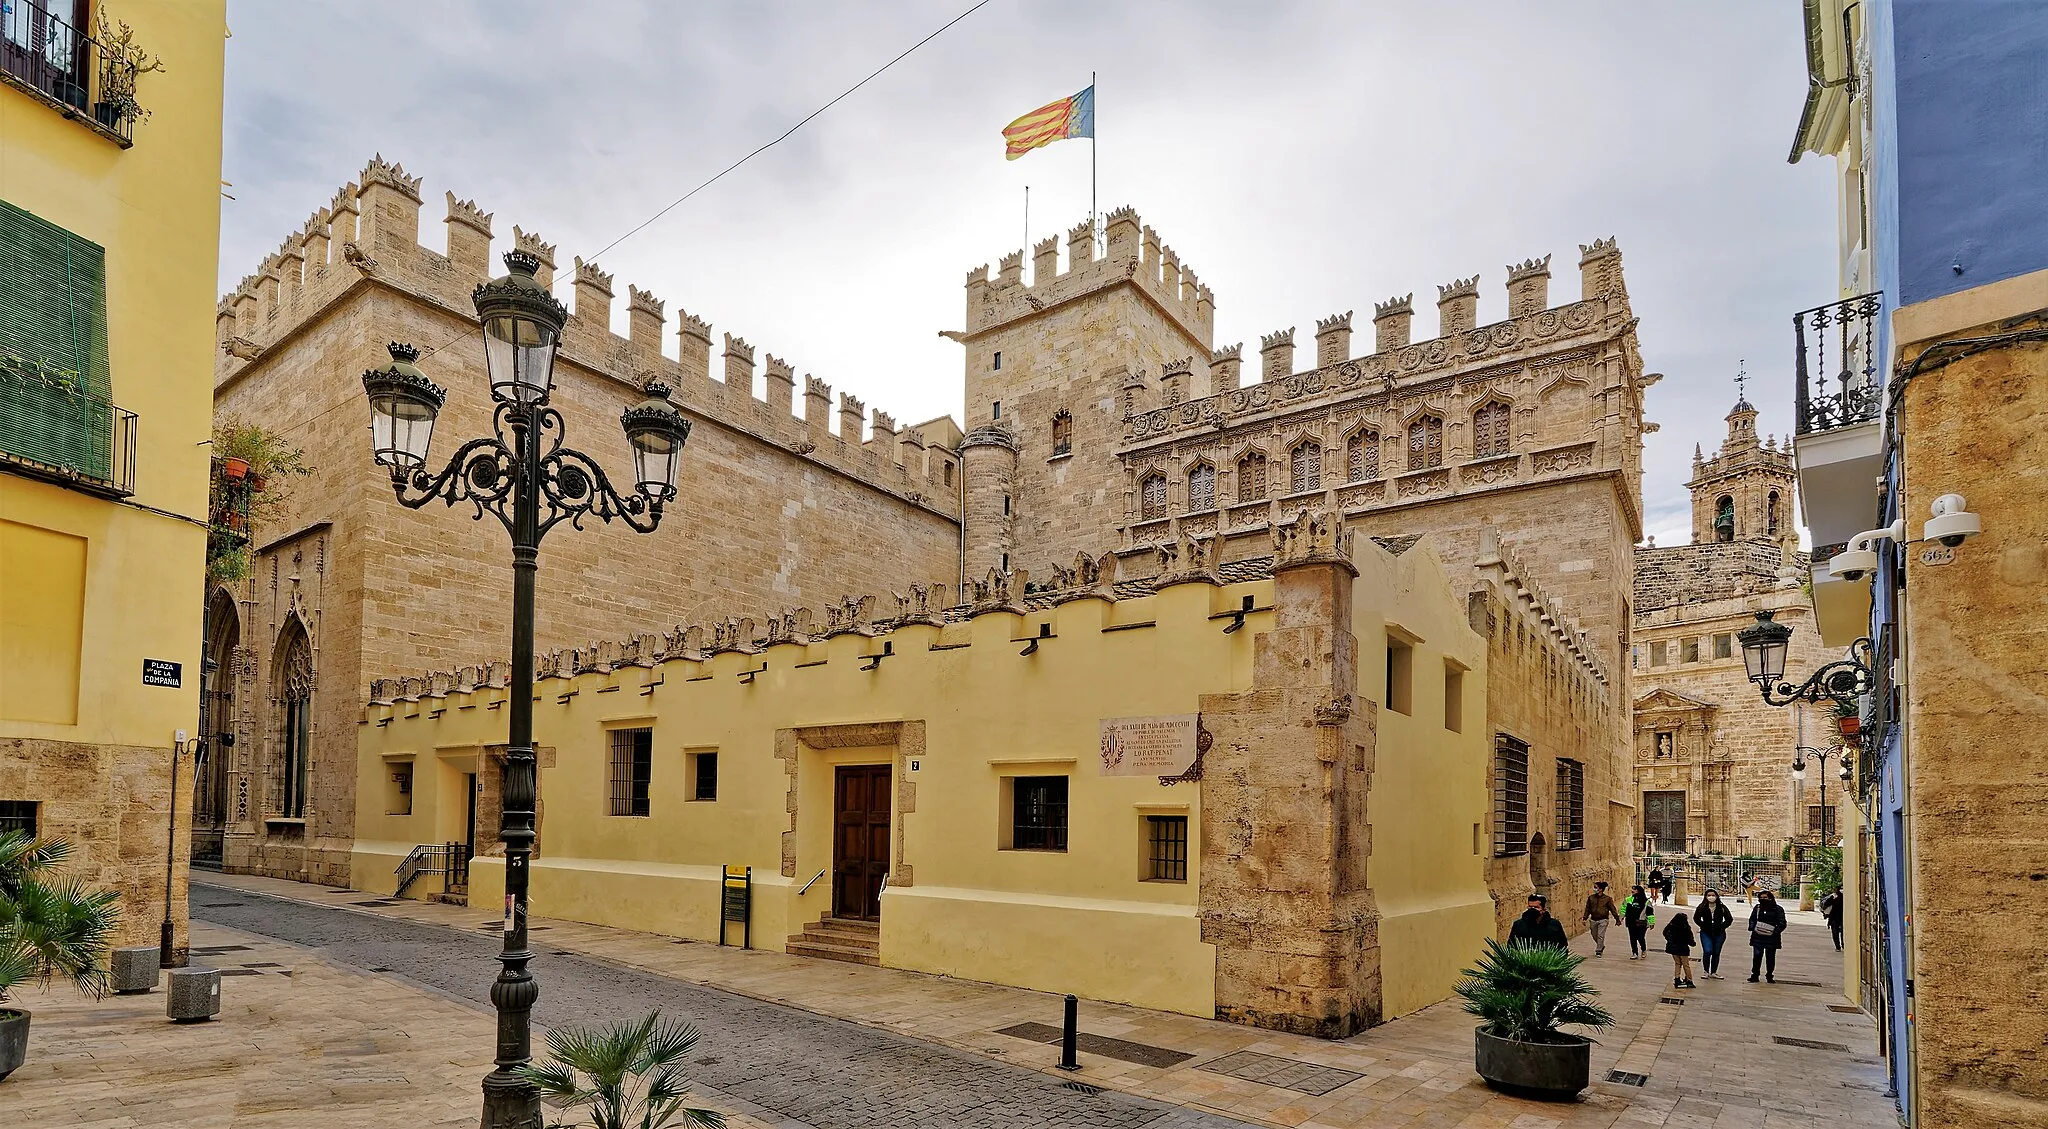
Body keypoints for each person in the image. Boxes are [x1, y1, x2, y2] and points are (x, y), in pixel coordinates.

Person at [1748, 888, 1788, 982]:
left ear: (1770, 898)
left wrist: (1775, 931)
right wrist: (1753, 928)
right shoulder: (1757, 908)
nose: (1763, 899)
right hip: (1758, 936)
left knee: (1770, 957)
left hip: (1772, 938)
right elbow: (1752, 919)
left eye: (1765, 897)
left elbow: (1782, 922)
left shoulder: (1778, 909)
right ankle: (1755, 975)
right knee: (1757, 956)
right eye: (1761, 897)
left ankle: (1769, 975)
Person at [1695, 887, 1734, 978]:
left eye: (1713, 895)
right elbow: (1696, 918)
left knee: (1716, 952)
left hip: (1719, 933)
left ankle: (1714, 972)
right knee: (1707, 951)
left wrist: (1722, 926)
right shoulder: (1702, 907)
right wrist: (1703, 925)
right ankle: (1706, 971)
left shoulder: (1722, 907)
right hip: (1706, 932)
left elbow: (1729, 919)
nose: (1711, 897)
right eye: (1709, 895)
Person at [1662, 910, 1697, 989]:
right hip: (1683, 949)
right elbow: (1690, 940)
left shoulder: (1670, 925)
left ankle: (1677, 978)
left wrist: (1669, 940)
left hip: (1673, 948)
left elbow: (1665, 933)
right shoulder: (1686, 928)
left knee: (1677, 963)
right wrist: (1693, 943)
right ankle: (1689, 980)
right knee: (1686, 965)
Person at [1583, 881, 1618, 957]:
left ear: (1601, 889)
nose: (1594, 889)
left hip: (1603, 919)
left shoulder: (1607, 899)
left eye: (1596, 887)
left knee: (1600, 935)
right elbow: (1587, 908)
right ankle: (1601, 945)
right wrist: (1584, 918)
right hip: (1593, 919)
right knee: (1594, 934)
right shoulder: (1591, 898)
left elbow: (1612, 909)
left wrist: (1617, 919)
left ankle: (1599, 950)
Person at [1622, 883, 1655, 959]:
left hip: (1641, 922)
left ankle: (1643, 949)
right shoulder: (1628, 900)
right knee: (1632, 937)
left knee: (1640, 937)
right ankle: (1634, 952)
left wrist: (1651, 922)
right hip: (1631, 922)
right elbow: (1623, 909)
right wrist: (1621, 918)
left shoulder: (1646, 902)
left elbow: (1650, 913)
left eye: (1635, 889)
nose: (1632, 891)